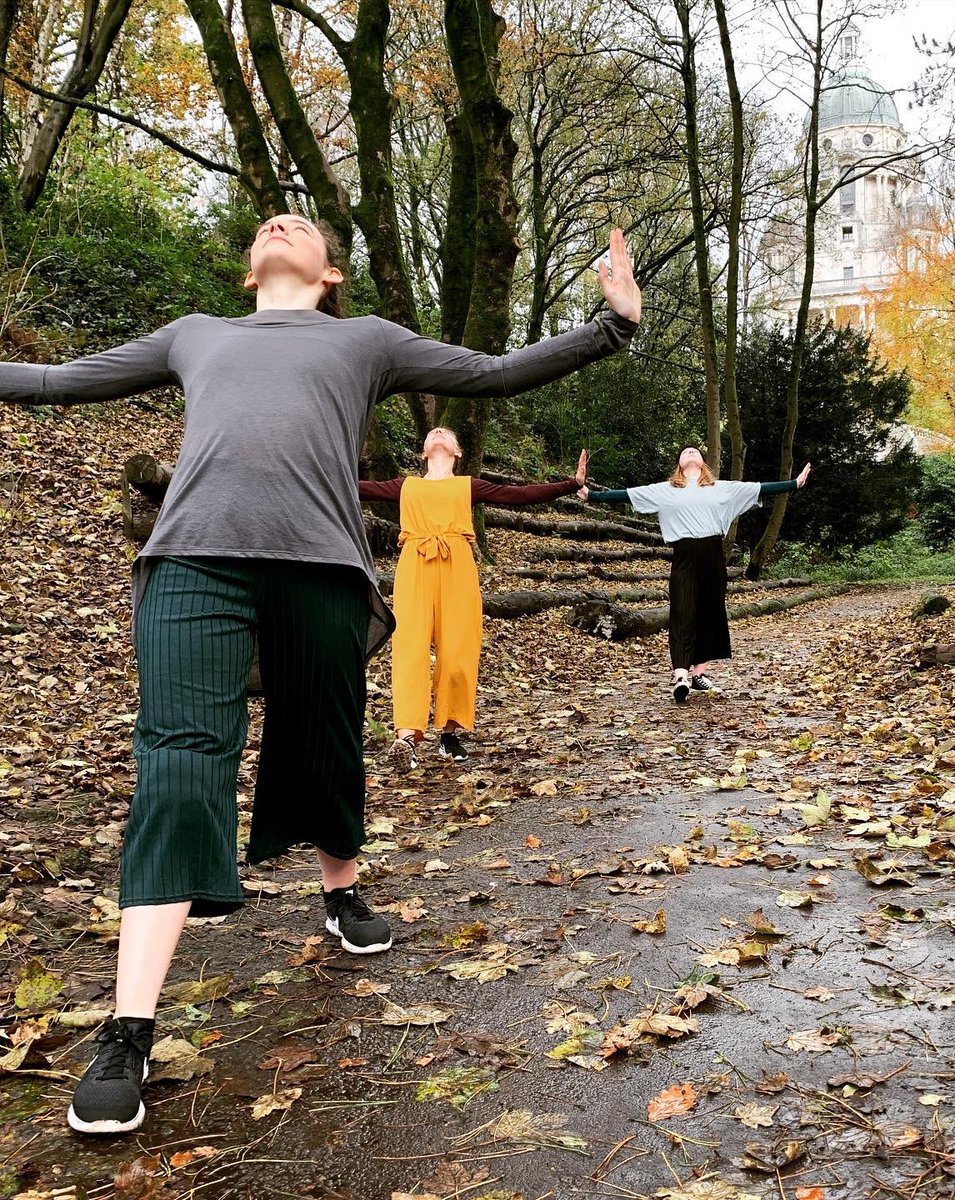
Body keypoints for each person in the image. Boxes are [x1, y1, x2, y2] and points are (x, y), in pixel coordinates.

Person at [0, 214, 640, 1134]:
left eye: (297, 221)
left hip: (323, 572)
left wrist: (611, 325)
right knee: (178, 763)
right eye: (267, 220)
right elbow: (62, 382)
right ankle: (129, 1029)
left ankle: (341, 890)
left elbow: (492, 372)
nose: (277, 220)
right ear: (246, 271)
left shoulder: (366, 342)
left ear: (331, 272)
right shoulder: (197, 335)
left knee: (323, 741)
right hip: (192, 565)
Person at [360, 436, 588, 766]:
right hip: (415, 566)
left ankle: (449, 735)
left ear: (458, 451)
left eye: (446, 434)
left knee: (457, 652)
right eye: (432, 433)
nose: (438, 432)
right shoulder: (405, 486)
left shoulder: (468, 486)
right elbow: (355, 487)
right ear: (424, 452)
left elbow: (519, 496)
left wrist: (571, 484)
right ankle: (406, 737)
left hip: (457, 567)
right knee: (410, 649)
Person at [584, 446, 809, 702]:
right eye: (685, 452)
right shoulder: (665, 490)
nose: (690, 452)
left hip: (713, 555)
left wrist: (794, 483)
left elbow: (759, 488)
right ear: (679, 463)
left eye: (695, 451)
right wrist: (590, 495)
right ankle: (681, 675)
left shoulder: (722, 488)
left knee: (710, 612)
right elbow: (626, 495)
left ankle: (699, 674)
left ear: (703, 462)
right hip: (684, 555)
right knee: (682, 610)